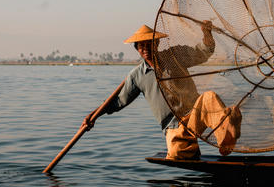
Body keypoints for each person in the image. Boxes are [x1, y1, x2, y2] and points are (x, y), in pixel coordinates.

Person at [84, 22, 241, 159]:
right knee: (178, 155)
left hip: (194, 114)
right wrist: (94, 114)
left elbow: (204, 52)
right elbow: (118, 102)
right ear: (137, 49)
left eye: (149, 43)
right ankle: (191, 149)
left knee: (209, 98)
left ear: (157, 43)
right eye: (141, 45)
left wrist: (207, 33)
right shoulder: (137, 75)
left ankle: (226, 137)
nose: (145, 48)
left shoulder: (175, 56)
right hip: (173, 126)